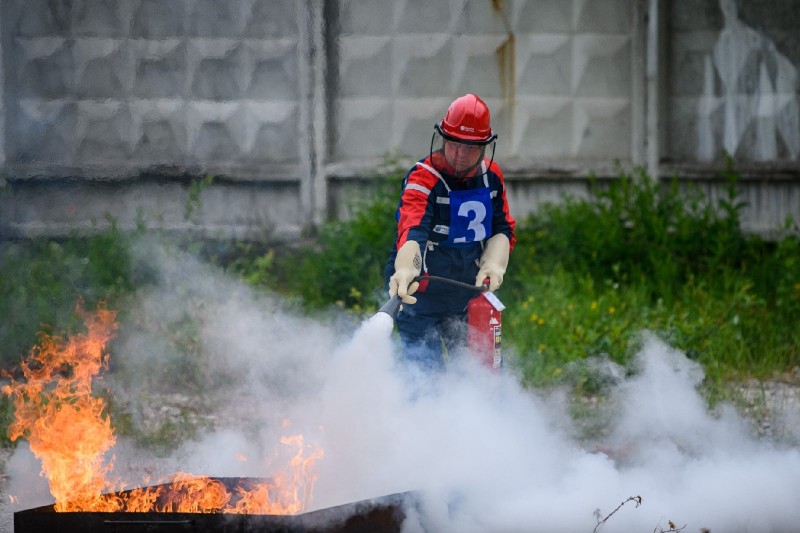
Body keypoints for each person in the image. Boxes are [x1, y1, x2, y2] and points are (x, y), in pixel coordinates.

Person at [385, 93, 516, 371]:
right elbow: (413, 227)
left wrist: (494, 263)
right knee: (425, 379)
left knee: (482, 374)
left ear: (484, 147)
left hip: (467, 294)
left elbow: (502, 227)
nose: (459, 155)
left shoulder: (491, 177)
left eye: (469, 148)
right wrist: (407, 268)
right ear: (442, 138)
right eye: (453, 144)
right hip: (420, 294)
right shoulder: (423, 177)